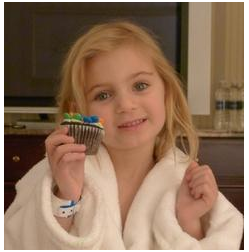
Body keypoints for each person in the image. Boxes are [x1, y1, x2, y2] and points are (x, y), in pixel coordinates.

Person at [4, 21, 243, 249]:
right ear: (79, 111)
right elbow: (21, 243)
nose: (126, 105)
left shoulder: (186, 179)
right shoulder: (58, 173)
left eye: (140, 86)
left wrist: (188, 221)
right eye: (103, 95)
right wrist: (66, 196)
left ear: (166, 92)